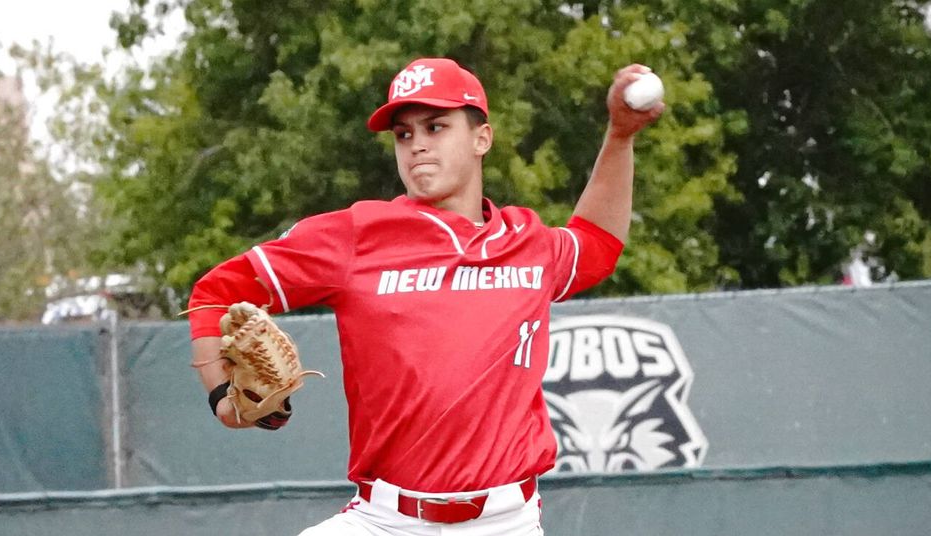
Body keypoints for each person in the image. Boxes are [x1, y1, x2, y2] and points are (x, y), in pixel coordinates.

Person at [186, 57, 663, 535]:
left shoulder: (527, 243)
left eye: (436, 127)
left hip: (506, 524)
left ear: (482, 139)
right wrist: (222, 402)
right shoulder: (358, 234)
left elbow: (597, 243)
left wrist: (620, 137)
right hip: (386, 521)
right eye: (404, 134)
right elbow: (216, 292)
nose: (417, 146)